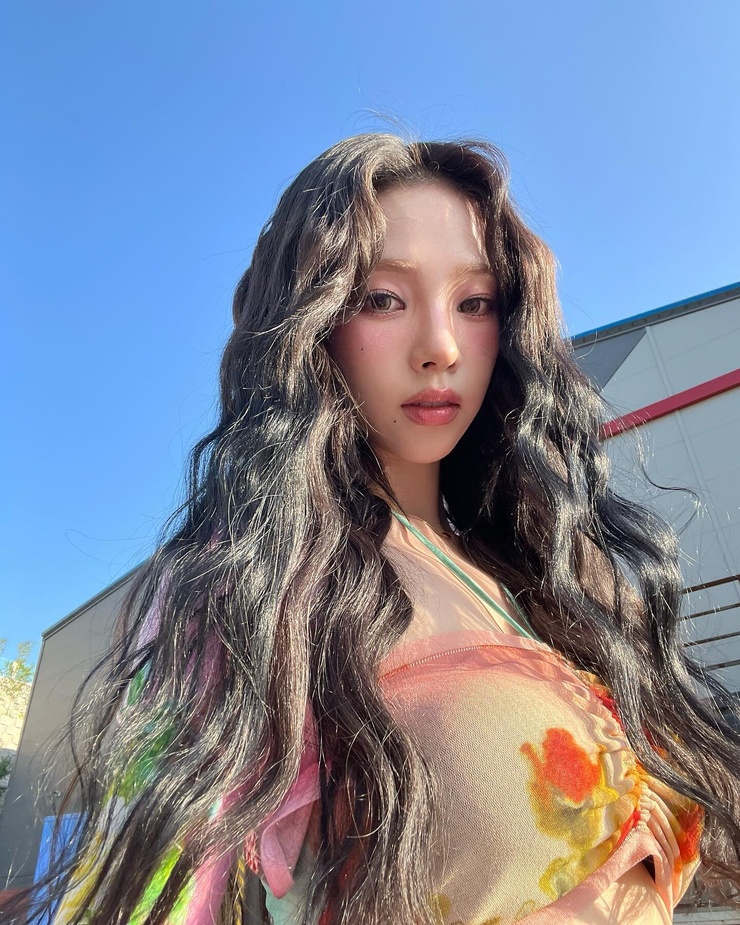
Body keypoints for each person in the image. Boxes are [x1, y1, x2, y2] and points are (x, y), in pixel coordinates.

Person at [9, 134, 740, 925]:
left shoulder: (547, 574)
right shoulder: (251, 591)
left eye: (475, 302)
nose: (440, 347)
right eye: (384, 298)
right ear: (312, 320)